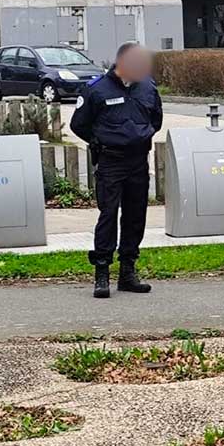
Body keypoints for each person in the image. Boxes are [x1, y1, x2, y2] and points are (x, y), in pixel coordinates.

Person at [70, 41, 163, 299]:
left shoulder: (147, 87)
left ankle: (128, 272)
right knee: (108, 215)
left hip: (138, 161)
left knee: (135, 217)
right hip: (111, 161)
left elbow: (156, 119)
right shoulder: (96, 90)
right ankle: (102, 273)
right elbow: (79, 124)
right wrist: (101, 140)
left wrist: (139, 136)